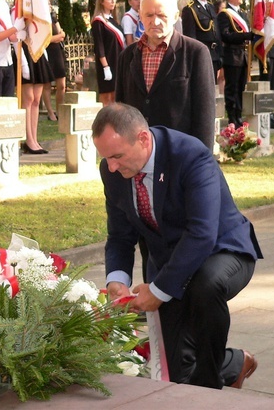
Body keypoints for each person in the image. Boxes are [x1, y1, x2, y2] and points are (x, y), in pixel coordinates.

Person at [92, 103, 262, 390]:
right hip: (171, 263)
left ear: (143, 139)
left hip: (224, 250)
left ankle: (210, 390)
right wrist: (116, 282)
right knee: (174, 370)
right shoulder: (112, 171)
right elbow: (120, 235)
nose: (111, 166)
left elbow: (202, 233)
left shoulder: (190, 155)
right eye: (106, 157)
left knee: (204, 287)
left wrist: (158, 290)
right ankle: (234, 364)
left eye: (117, 156)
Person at [115, 0, 216, 150]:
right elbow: (120, 110)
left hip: (179, 154)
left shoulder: (196, 53)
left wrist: (202, 161)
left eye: (162, 15)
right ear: (140, 15)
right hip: (136, 155)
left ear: (175, 16)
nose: (155, 21)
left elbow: (204, 115)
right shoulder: (127, 56)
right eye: (149, 15)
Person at [218, 0, 254, 127]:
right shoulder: (224, 15)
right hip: (232, 55)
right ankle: (232, 116)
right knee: (232, 88)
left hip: (243, 55)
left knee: (241, 87)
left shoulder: (243, 14)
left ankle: (239, 114)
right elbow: (226, 36)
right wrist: (246, 35)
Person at [180, 0, 222, 87]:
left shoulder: (211, 7)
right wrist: (195, 55)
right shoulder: (190, 9)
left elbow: (217, 32)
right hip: (201, 52)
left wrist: (220, 54)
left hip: (214, 53)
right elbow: (190, 36)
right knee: (202, 86)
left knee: (213, 86)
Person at [91, 0, 124, 106]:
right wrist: (105, 67)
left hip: (118, 62)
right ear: (101, 1)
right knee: (107, 97)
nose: (113, 1)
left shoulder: (114, 21)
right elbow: (99, 47)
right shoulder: (98, 21)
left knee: (117, 96)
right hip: (107, 64)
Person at [42, 6, 67, 122]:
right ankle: (50, 112)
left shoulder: (53, 18)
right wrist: (57, 37)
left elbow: (63, 35)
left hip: (57, 52)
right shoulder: (39, 19)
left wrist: (55, 37)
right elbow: (43, 39)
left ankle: (60, 111)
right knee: (46, 84)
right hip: (45, 52)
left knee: (61, 85)